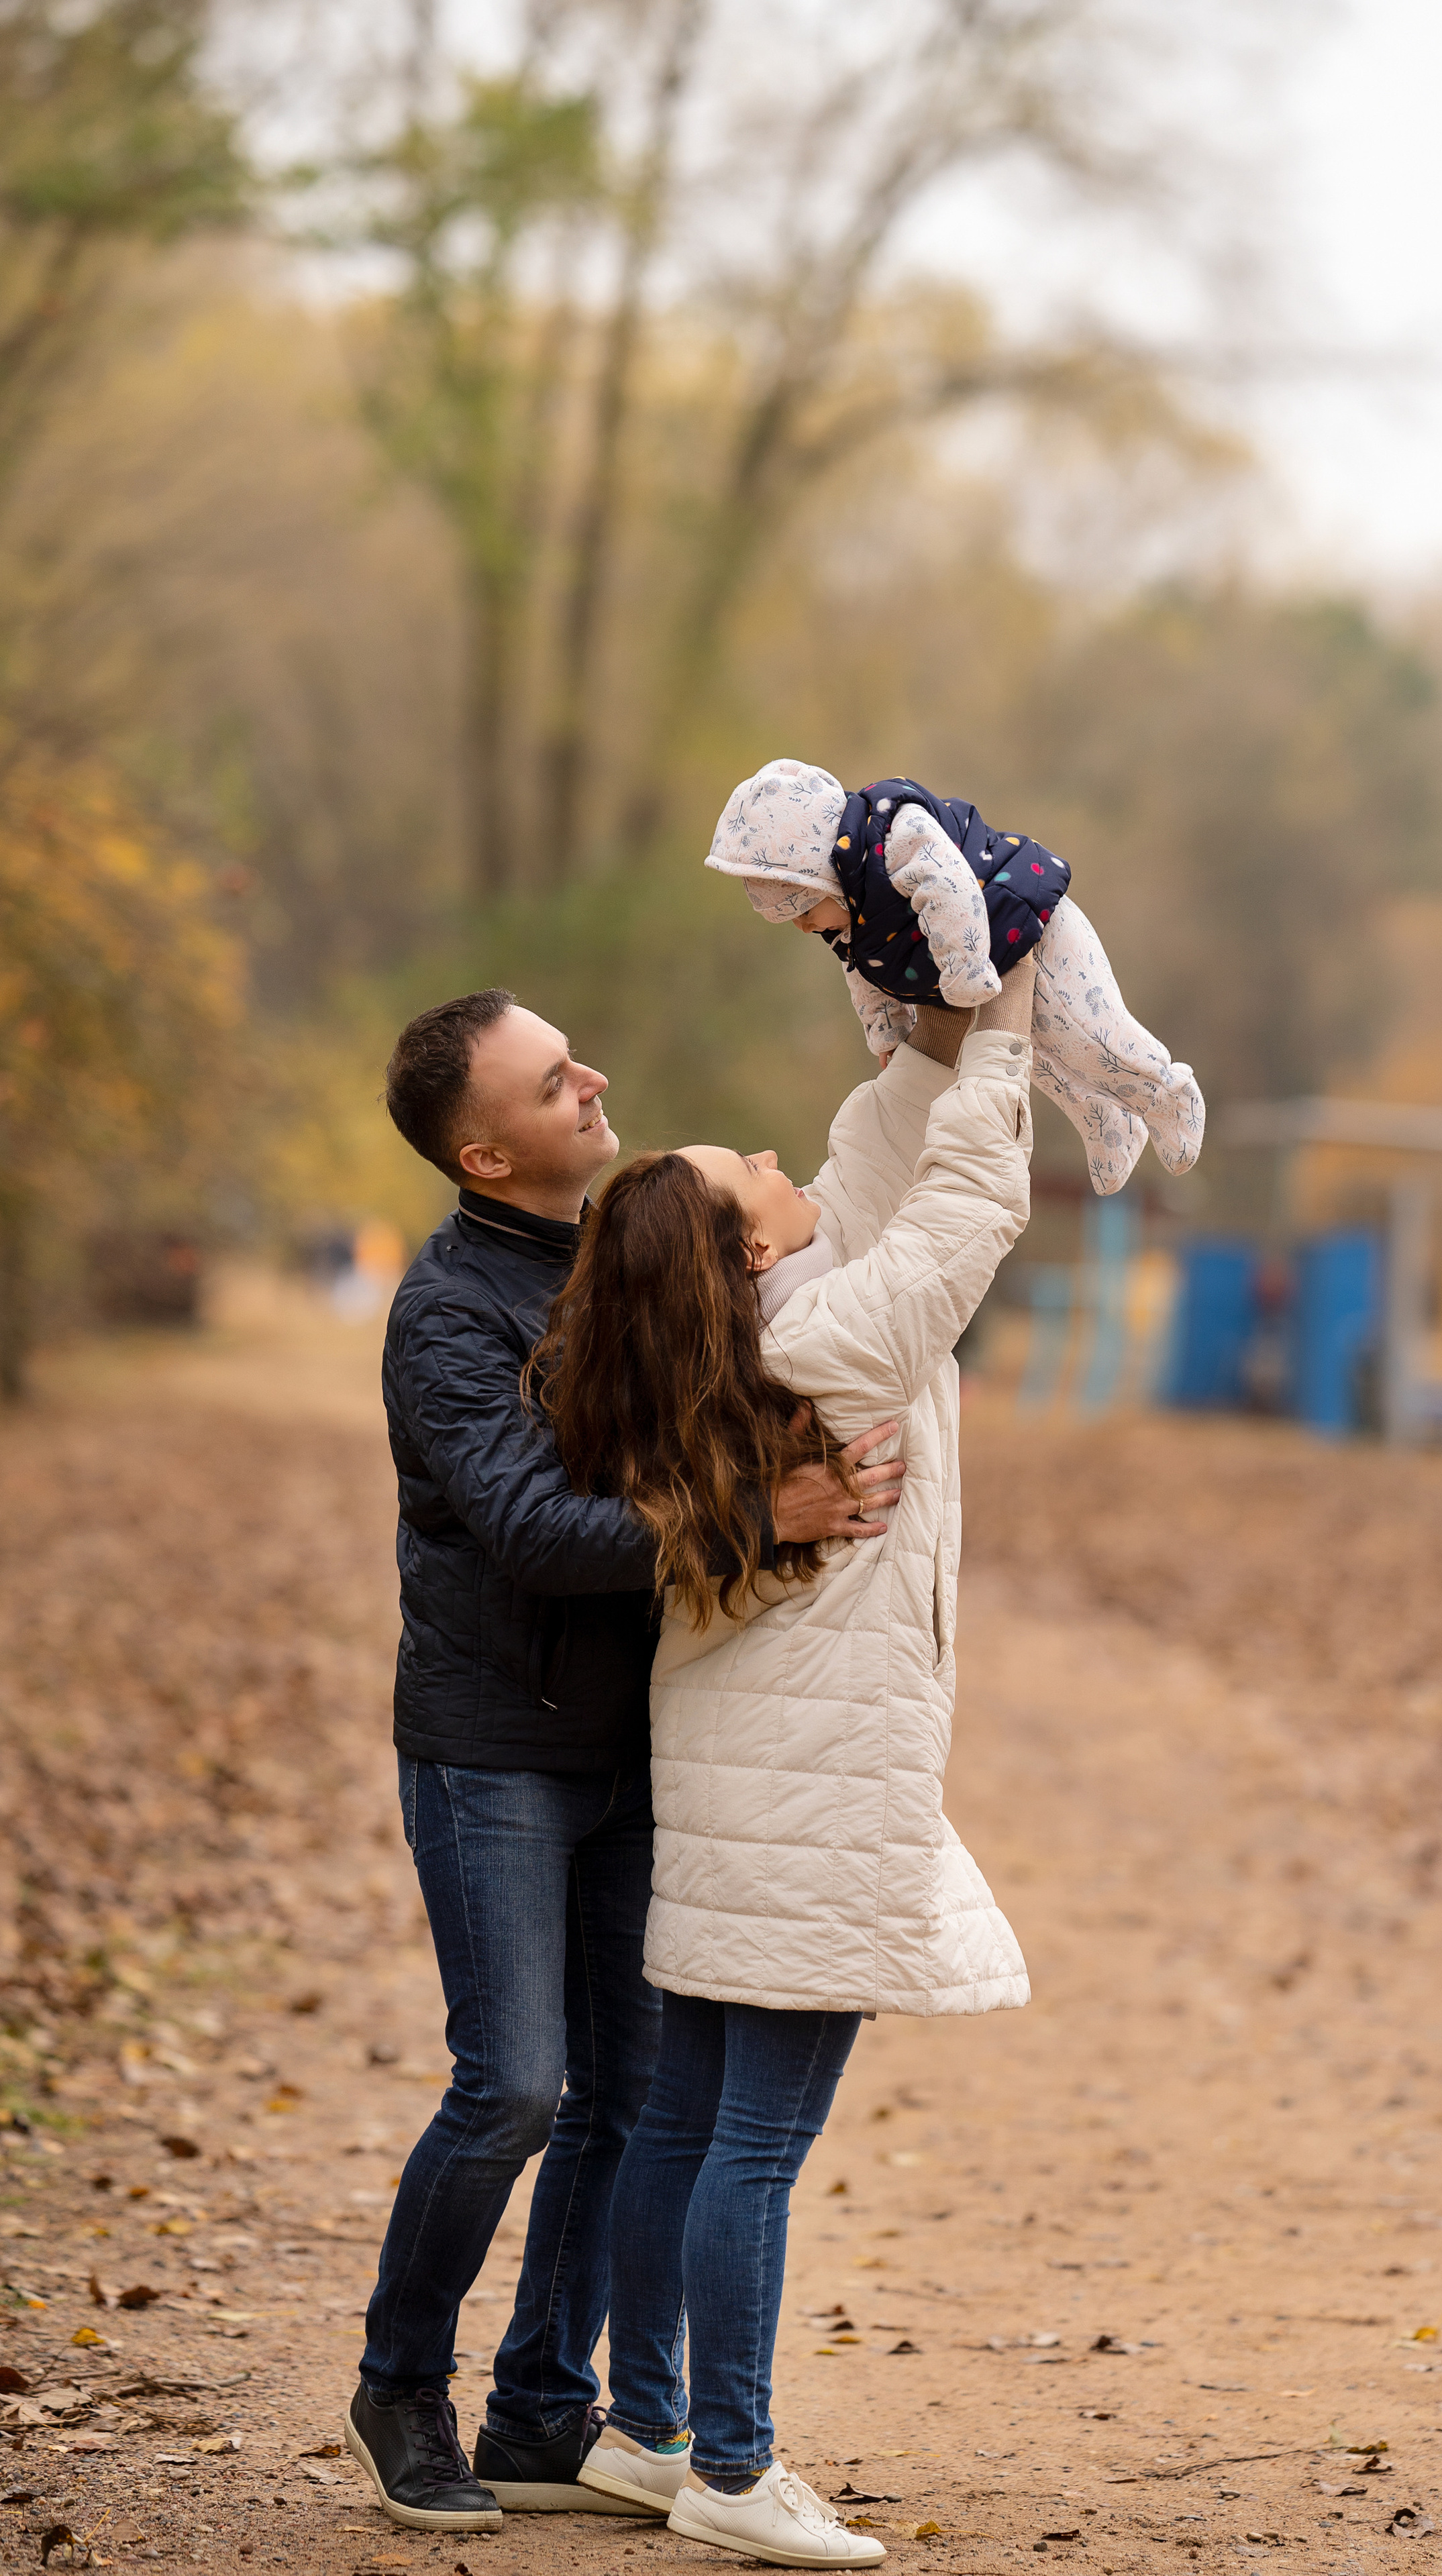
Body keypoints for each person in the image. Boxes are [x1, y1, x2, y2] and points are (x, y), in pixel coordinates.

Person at [344, 988, 905, 2538]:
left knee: (629, 2090)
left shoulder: (629, 1260)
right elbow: (530, 1532)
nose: (588, 1078)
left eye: (575, 1055)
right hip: (497, 1750)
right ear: (482, 1146)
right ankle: (401, 2379)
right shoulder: (449, 1309)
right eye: (548, 1078)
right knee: (515, 2082)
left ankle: (543, 2407)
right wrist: (755, 1519)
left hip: (648, 1739)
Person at [527, 961, 1037, 2567]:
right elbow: (966, 1206)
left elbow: (881, 1158)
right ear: (744, 1247)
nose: (769, 1156)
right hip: (815, 1796)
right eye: (742, 1170)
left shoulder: (732, 1346)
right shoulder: (832, 1341)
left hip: (740, 1787)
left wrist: (922, 1022)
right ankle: (735, 2465)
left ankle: (644, 2423)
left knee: (683, 2120)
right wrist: (1005, 1031)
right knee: (753, 2136)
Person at [704, 754, 1206, 1193]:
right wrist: (887, 1031)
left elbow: (952, 889)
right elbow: (863, 976)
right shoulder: (850, 918)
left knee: (1088, 1037)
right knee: (1046, 1063)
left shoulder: (897, 836)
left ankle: (1169, 1094)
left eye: (805, 909)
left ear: (823, 875)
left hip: (1033, 925)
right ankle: (1111, 1126)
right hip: (996, 966)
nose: (802, 927)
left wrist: (963, 972)